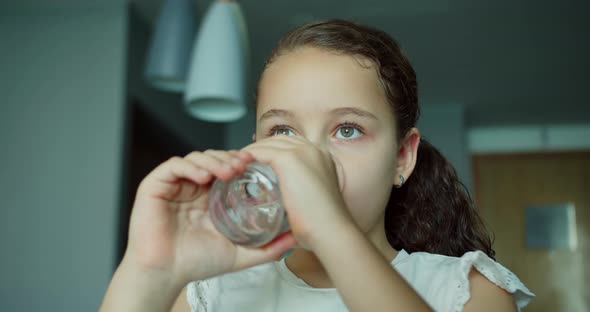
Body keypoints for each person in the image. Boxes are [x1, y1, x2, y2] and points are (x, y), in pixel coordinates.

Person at [100, 19, 535, 312]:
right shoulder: (212, 295)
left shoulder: (468, 290)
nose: (308, 161)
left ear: (402, 157)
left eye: (347, 130)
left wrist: (329, 227)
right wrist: (149, 267)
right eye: (283, 132)